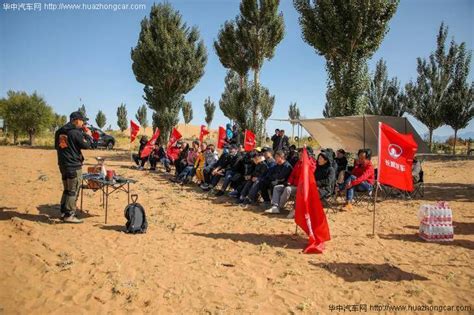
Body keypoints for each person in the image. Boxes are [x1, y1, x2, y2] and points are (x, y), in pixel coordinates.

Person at [54, 111, 92, 223]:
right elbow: (86, 145)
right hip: (73, 166)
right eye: (82, 120)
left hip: (63, 165)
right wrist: (88, 136)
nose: (83, 123)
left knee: (67, 189)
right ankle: (69, 215)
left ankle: (63, 211)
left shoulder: (60, 131)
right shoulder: (75, 132)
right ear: (76, 120)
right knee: (72, 191)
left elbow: (59, 147)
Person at [266, 149, 315, 216]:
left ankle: (279, 207)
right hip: (293, 184)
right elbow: (292, 175)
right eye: (299, 155)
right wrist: (289, 182)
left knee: (287, 189)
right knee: (277, 187)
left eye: (301, 155)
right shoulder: (298, 163)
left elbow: (306, 177)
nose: (299, 156)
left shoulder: (310, 164)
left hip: (301, 187)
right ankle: (275, 206)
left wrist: (292, 183)